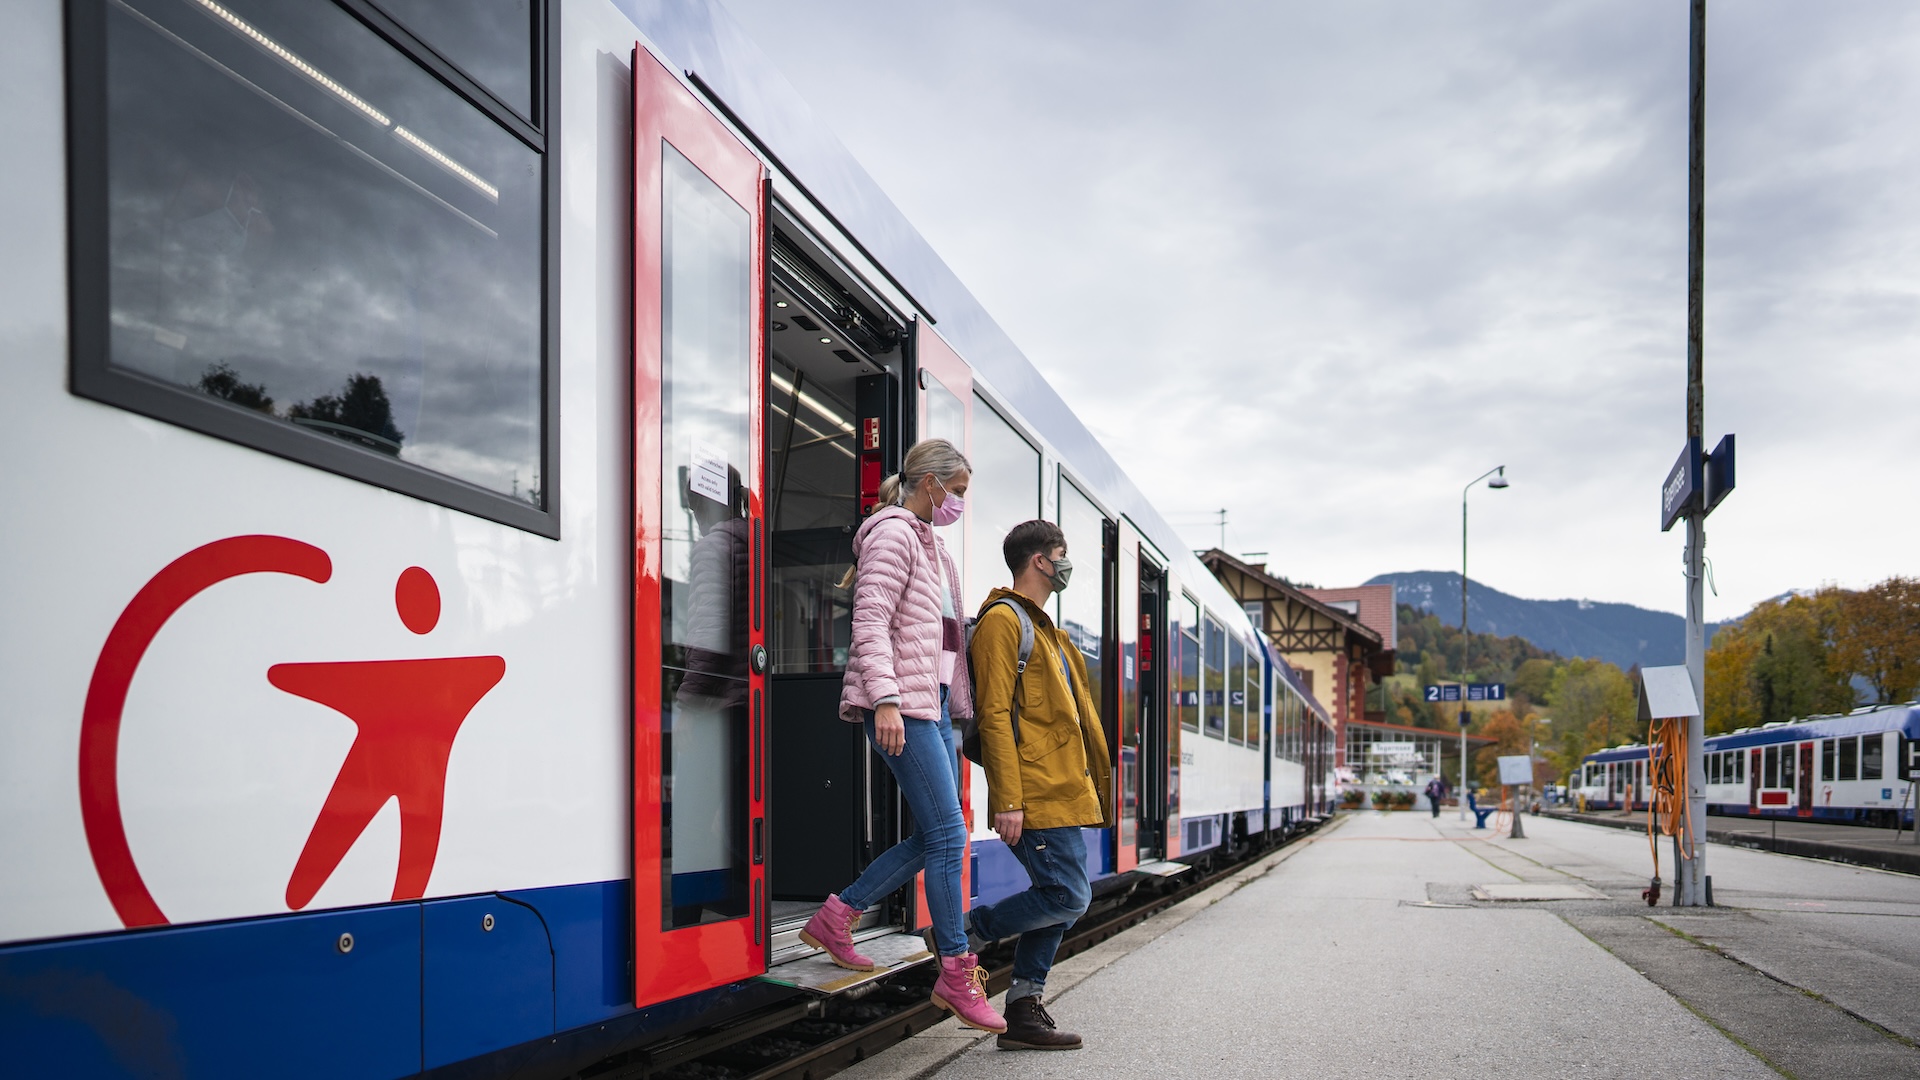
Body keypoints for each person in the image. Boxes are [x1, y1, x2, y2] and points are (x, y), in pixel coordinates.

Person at [796, 439, 1005, 1034]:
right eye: (957, 492)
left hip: (931, 705)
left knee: (937, 833)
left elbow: (942, 642)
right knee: (949, 834)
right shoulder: (891, 532)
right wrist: (884, 699)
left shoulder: (934, 547)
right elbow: (869, 619)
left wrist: (957, 711)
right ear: (931, 483)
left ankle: (838, 916)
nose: (958, 504)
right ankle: (957, 971)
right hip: (902, 703)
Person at [965, 520, 1114, 1051]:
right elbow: (994, 716)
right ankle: (967, 933)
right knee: (1069, 895)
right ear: (1039, 562)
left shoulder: (1049, 631)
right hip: (1034, 791)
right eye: (1062, 554)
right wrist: (1007, 799)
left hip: (1063, 788)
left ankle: (1024, 1011)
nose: (1066, 564)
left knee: (1058, 898)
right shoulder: (1003, 622)